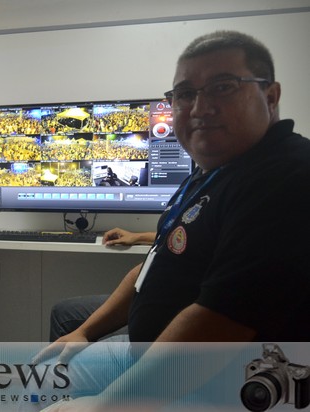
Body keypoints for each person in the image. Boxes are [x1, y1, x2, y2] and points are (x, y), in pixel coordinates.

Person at [33, 30, 310, 411]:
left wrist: (106, 406)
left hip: (217, 382)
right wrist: (83, 332)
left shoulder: (287, 176)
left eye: (223, 87)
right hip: (150, 347)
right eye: (184, 94)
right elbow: (161, 259)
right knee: (56, 347)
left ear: (271, 95)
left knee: (43, 386)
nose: (200, 107)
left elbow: (219, 322)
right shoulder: (213, 171)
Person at [49, 228, 155, 342]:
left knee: (101, 340)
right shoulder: (174, 217)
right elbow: (169, 237)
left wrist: (84, 332)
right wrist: (137, 237)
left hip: (157, 310)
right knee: (62, 312)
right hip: (145, 297)